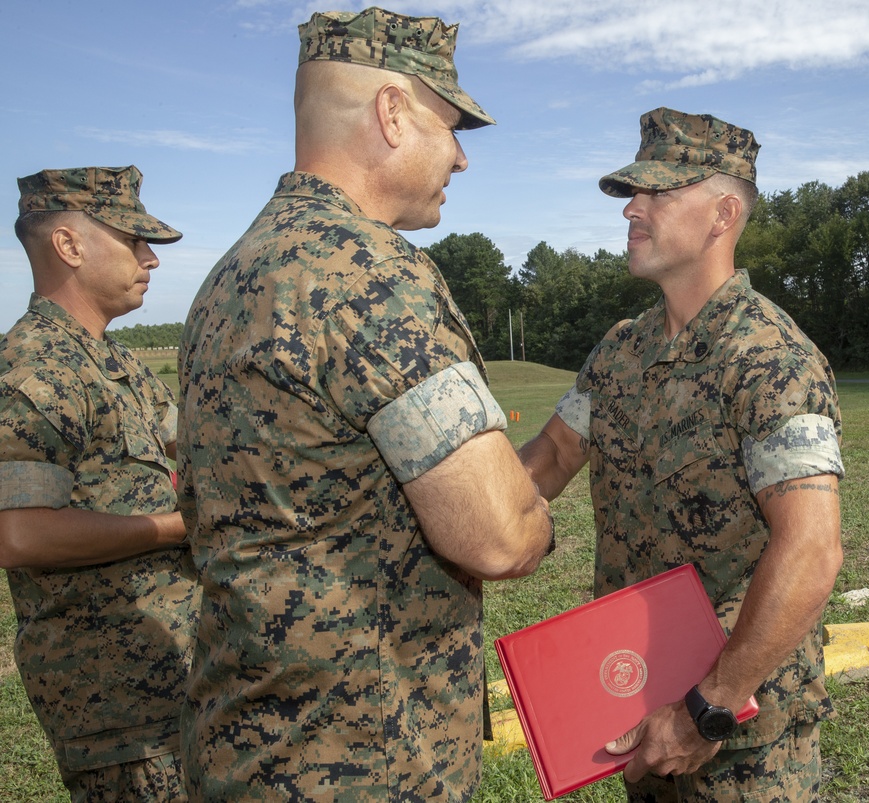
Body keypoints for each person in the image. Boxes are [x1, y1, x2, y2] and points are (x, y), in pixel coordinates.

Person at [176, 7, 553, 801]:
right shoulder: (369, 272)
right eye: (450, 127)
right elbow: (495, 535)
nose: (458, 156)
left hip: (243, 742)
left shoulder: (231, 275)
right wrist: (537, 520)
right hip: (363, 759)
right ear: (391, 112)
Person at [519, 108, 845, 802]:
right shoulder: (619, 351)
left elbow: (811, 550)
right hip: (643, 712)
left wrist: (710, 708)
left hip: (739, 742)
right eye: (633, 193)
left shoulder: (770, 358)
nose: (633, 208)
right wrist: (464, 505)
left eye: (658, 192)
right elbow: (548, 456)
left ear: (723, 213)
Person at [0, 165, 199, 801]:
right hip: (116, 709)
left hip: (177, 680)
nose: (151, 259)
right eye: (134, 240)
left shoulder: (115, 364)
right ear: (70, 245)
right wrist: (179, 526)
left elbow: (189, 455)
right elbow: (21, 534)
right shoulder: (32, 369)